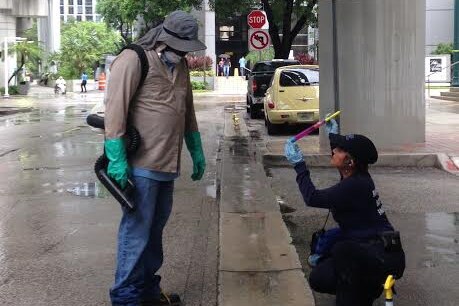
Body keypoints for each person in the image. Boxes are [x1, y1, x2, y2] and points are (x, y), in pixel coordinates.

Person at [104, 10, 206, 306]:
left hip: (167, 165)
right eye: (179, 46)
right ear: (164, 37)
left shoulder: (182, 66)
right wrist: (116, 158)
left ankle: (147, 290)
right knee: (136, 233)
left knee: (154, 232)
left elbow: (187, 110)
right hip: (139, 166)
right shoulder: (134, 59)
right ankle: (125, 298)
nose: (182, 52)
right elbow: (115, 110)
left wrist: (195, 148)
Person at [284, 119, 405, 306]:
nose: (334, 151)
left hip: (380, 255)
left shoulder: (354, 186)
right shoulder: (358, 176)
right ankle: (360, 286)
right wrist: (334, 137)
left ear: (350, 160)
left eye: (339, 150)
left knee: (341, 250)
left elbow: (312, 198)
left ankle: (363, 291)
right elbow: (344, 171)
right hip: (370, 246)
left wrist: (299, 165)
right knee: (324, 263)